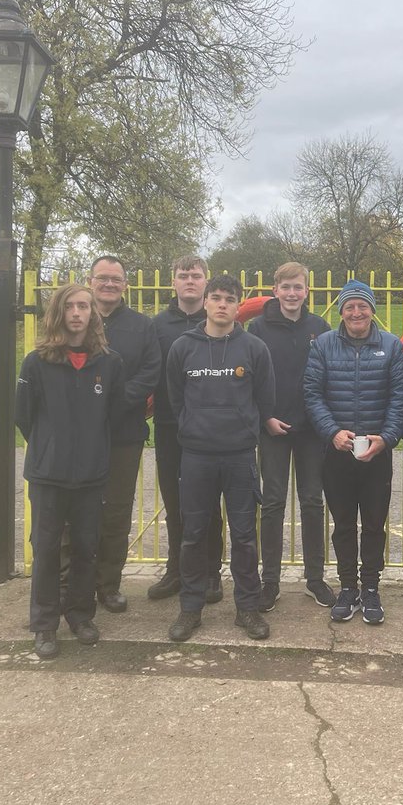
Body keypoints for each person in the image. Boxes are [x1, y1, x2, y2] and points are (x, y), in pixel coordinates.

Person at [16, 284, 125, 660]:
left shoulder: (109, 363)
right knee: (45, 550)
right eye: (70, 307)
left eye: (84, 306)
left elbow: (112, 414)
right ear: (58, 313)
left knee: (85, 548)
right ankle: (44, 624)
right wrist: (50, 447)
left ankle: (80, 615)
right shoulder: (36, 362)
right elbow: (24, 416)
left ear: (93, 313)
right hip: (48, 476)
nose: (77, 313)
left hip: (91, 475)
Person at [165, 274, 276, 642]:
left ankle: (247, 608)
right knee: (193, 535)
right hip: (196, 456)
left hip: (240, 456)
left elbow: (264, 400)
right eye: (216, 297)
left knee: (245, 536)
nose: (222, 304)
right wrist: (193, 427)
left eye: (230, 298)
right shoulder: (183, 347)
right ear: (207, 303)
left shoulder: (255, 348)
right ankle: (190, 608)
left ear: (237, 305)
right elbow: (175, 398)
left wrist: (242, 429)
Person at [303, 280, 403, 624]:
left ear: (372, 310)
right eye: (349, 306)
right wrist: (332, 432)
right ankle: (348, 587)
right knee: (344, 524)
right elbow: (312, 394)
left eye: (363, 306)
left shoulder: (392, 347)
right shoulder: (323, 346)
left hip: (376, 454)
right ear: (341, 312)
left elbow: (399, 398)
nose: (356, 312)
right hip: (337, 453)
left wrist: (387, 437)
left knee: (375, 524)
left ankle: (372, 588)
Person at [247, 262, 334, 611]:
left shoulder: (320, 327)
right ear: (275, 290)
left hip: (312, 431)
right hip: (273, 429)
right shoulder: (258, 327)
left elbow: (330, 376)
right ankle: (270, 582)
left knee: (313, 502)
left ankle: (314, 579)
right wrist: (264, 417)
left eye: (298, 287)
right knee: (273, 503)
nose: (292, 293)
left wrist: (325, 421)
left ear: (307, 290)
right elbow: (251, 378)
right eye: (286, 287)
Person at [82, 255, 161, 613]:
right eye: (103, 278)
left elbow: (150, 372)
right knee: (79, 513)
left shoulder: (142, 326)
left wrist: (116, 402)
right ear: (91, 281)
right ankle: (76, 585)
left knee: (115, 512)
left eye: (116, 279)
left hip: (124, 431)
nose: (109, 284)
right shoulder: (76, 318)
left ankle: (108, 585)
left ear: (125, 285)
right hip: (79, 435)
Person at [148, 257, 224, 603]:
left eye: (196, 276)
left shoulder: (220, 323)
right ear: (173, 282)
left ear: (206, 282)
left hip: (210, 430)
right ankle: (176, 569)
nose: (190, 281)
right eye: (183, 276)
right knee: (175, 501)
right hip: (169, 427)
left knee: (208, 504)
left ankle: (211, 573)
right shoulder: (158, 325)